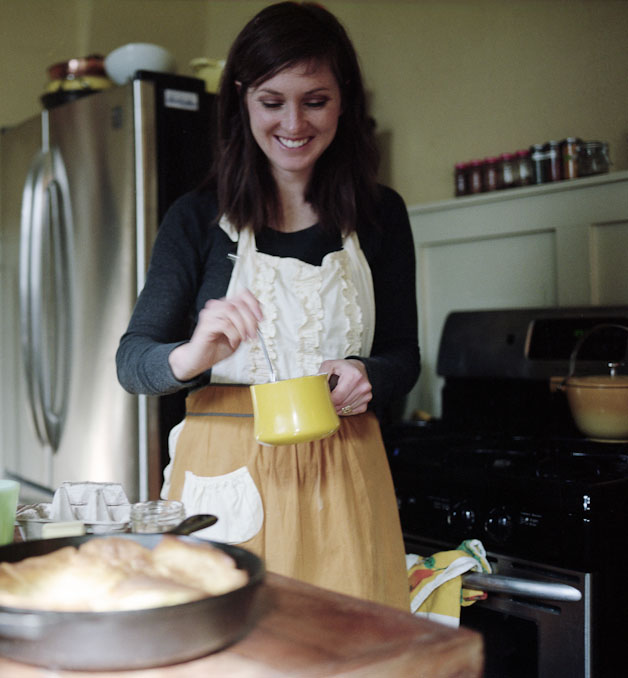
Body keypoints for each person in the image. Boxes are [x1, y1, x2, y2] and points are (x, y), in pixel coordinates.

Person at [116, 1, 418, 610]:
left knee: (348, 653)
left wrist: (368, 375)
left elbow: (404, 354)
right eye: (271, 101)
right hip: (225, 479)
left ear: (345, 101)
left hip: (347, 473)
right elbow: (132, 362)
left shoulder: (381, 214)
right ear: (241, 100)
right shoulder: (197, 218)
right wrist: (192, 354)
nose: (294, 123)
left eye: (316, 99)